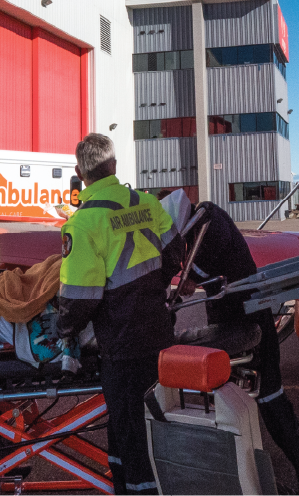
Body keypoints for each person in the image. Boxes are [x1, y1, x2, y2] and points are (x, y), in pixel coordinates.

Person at [57, 133, 184, 496]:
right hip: (159, 334)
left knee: (130, 435)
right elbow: (176, 253)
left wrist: (62, 330)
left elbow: (80, 299)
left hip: (121, 346)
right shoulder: (147, 203)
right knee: (152, 424)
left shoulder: (82, 224)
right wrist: (151, 290)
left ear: (80, 172)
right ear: (114, 166)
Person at [171, 192, 299, 495]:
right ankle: (240, 470)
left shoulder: (208, 224)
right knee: (228, 397)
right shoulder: (202, 223)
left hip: (251, 320)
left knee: (268, 396)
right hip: (226, 321)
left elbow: (186, 284)